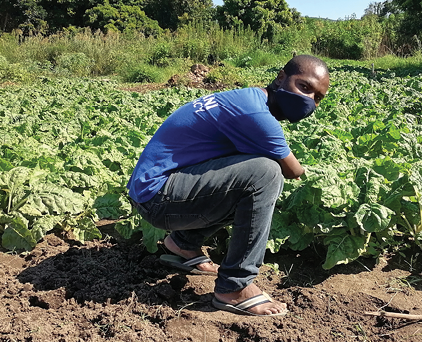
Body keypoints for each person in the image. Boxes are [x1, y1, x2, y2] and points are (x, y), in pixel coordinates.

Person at [127, 54, 330, 317]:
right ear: (281, 77)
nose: (309, 100)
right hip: (157, 198)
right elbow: (293, 171)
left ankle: (182, 245)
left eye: (317, 97)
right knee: (266, 172)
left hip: (157, 188)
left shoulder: (249, 98)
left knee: (248, 174)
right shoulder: (256, 113)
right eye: (304, 87)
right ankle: (234, 288)